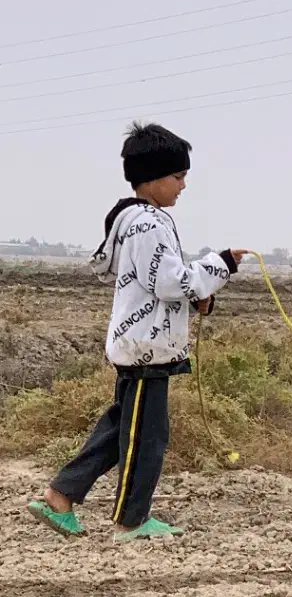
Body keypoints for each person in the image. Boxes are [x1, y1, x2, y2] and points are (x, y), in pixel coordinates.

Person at [28, 123, 246, 540]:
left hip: (137, 343)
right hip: (149, 348)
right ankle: (132, 520)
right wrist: (219, 266)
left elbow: (160, 282)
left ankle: (60, 496)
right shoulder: (150, 224)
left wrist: (198, 294)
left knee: (119, 429)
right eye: (178, 177)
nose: (183, 186)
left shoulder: (134, 221)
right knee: (148, 438)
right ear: (152, 178)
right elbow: (168, 282)